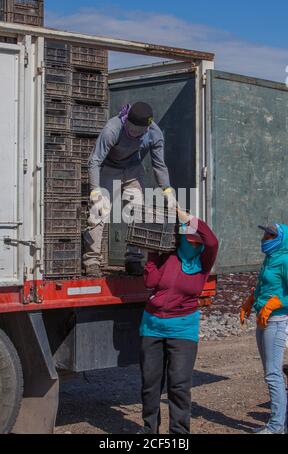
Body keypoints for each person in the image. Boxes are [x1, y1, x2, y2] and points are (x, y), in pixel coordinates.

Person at [139, 212, 218, 434]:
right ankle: (149, 430)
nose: (194, 244)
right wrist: (153, 254)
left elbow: (212, 240)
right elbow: (150, 281)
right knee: (150, 385)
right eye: (189, 240)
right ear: (182, 239)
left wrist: (187, 217)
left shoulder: (203, 262)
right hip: (152, 326)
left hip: (183, 328)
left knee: (179, 385)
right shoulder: (169, 257)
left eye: (197, 242)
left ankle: (179, 434)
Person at [83, 102, 172, 277]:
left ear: (147, 128)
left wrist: (167, 190)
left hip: (133, 170)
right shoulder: (112, 129)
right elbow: (94, 161)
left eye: (139, 131)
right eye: (131, 129)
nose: (134, 133)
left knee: (137, 213)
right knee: (98, 212)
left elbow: (159, 165)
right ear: (126, 121)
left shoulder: (155, 134)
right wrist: (95, 191)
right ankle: (92, 261)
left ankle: (133, 259)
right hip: (108, 169)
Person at [240, 224, 288, 435]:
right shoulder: (270, 259)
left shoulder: (285, 259)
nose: (264, 238)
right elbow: (262, 285)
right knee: (270, 372)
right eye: (264, 234)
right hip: (262, 321)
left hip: (276, 322)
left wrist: (275, 303)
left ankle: (277, 425)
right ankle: (278, 423)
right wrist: (249, 302)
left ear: (279, 239)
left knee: (273, 374)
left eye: (269, 235)